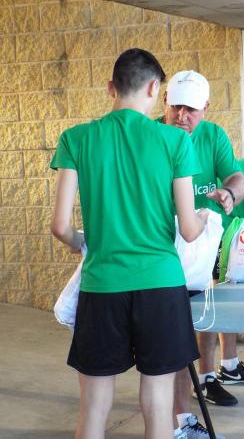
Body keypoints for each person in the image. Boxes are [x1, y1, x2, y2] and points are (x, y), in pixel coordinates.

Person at [50, 49, 208, 439]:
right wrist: (205, 220)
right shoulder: (174, 140)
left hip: (102, 285)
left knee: (93, 409)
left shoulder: (76, 138)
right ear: (156, 88)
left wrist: (81, 241)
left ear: (111, 88)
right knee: (157, 404)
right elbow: (188, 230)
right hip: (160, 284)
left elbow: (59, 226)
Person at [158, 70, 244, 437]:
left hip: (198, 253)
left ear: (206, 109)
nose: (182, 115)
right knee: (169, 346)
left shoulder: (213, 135)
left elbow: (237, 179)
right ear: (164, 100)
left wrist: (230, 194)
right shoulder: (153, 134)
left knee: (187, 337)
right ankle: (175, 420)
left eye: (191, 109)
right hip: (160, 252)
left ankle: (184, 413)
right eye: (176, 106)